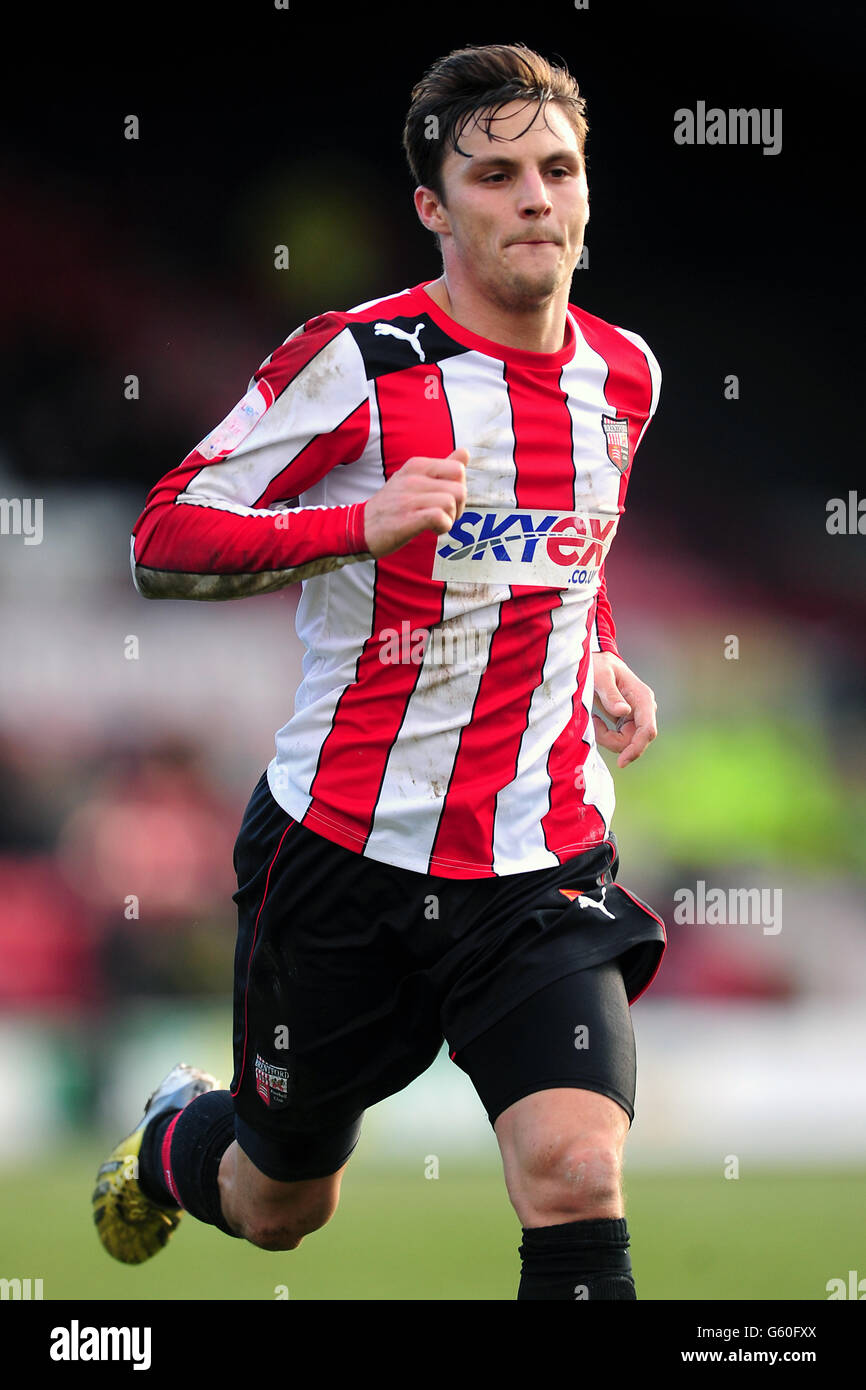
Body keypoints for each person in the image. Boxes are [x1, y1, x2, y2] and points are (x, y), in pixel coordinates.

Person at [93, 41, 666, 1300]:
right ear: (432, 207)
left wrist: (603, 650)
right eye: (496, 173)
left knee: (574, 1172)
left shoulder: (622, 374)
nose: (533, 198)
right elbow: (161, 541)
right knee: (281, 1197)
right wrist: (357, 525)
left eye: (556, 169)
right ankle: (175, 1137)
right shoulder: (356, 362)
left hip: (534, 859)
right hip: (343, 855)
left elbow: (570, 548)